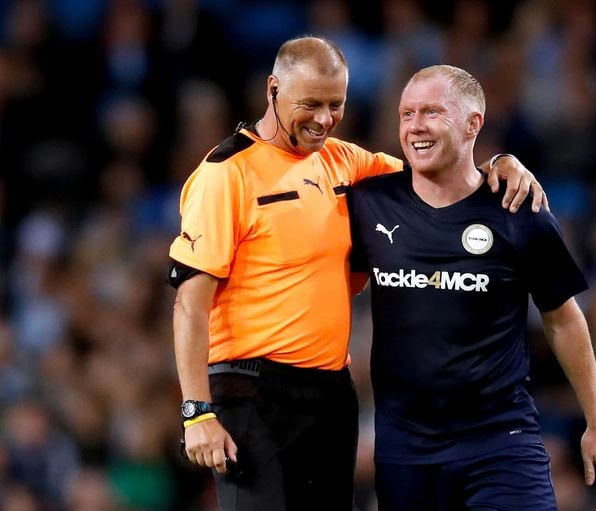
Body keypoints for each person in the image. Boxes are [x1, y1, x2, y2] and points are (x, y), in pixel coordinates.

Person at [167, 37, 546, 511]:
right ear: (273, 90)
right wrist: (196, 411)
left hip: (329, 396)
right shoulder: (226, 174)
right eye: (309, 104)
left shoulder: (346, 162)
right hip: (251, 393)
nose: (323, 119)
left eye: (336, 104)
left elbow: (440, 172)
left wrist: (499, 164)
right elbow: (189, 302)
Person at [347, 65, 596, 510]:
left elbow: (564, 318)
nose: (415, 125)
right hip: (406, 449)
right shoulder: (370, 202)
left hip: (499, 442)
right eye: (406, 114)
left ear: (473, 123)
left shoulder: (519, 210)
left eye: (432, 112)